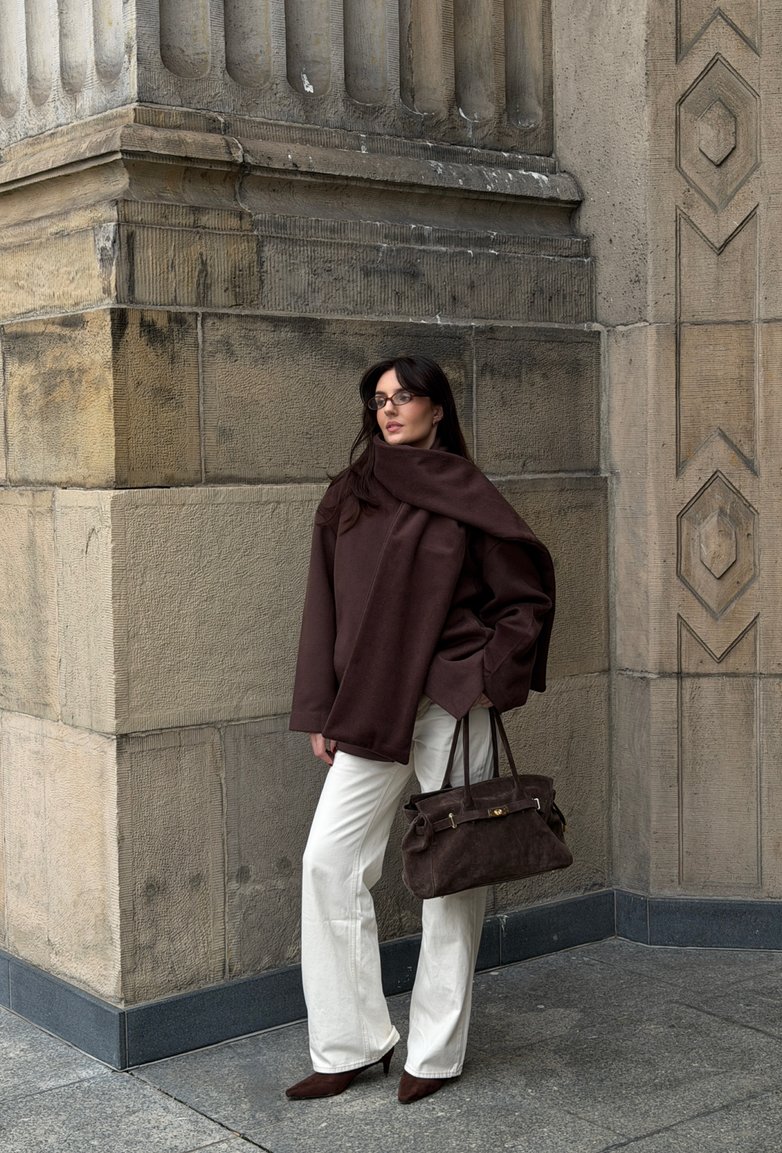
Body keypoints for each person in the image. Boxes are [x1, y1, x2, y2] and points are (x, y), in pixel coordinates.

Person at [286, 355, 555, 1104]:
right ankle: (350, 1042)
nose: (390, 409)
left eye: (405, 396)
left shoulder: (465, 491)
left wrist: (485, 676)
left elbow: (524, 590)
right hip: (372, 703)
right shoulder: (350, 493)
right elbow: (325, 604)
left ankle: (433, 1053)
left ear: (438, 408)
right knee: (328, 861)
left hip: (448, 698)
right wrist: (321, 706)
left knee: (453, 872)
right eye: (379, 400)